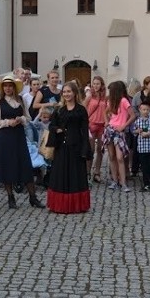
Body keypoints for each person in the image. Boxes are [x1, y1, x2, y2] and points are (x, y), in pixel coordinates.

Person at [45, 81, 91, 213]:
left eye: (69, 91)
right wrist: (57, 129)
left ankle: (76, 205)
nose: (66, 94)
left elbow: (84, 130)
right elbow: (51, 125)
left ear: (75, 93)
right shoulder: (59, 109)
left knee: (75, 176)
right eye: (64, 92)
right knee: (60, 175)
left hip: (76, 147)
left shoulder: (81, 110)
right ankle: (60, 205)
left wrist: (84, 149)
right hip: (61, 147)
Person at [0, 75, 37, 209]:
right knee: (7, 166)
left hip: (18, 136)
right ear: (2, 88)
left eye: (10, 86)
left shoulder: (21, 100)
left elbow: (28, 117)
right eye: (5, 86)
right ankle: (10, 197)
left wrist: (21, 119)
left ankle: (33, 197)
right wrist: (8, 122)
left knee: (25, 164)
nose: (7, 88)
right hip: (5, 137)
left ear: (14, 87)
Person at [103, 80, 135, 192]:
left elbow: (133, 115)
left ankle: (123, 182)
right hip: (110, 130)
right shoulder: (111, 101)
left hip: (120, 132)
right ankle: (114, 181)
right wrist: (107, 122)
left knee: (120, 157)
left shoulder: (124, 101)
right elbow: (105, 112)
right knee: (111, 156)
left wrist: (123, 126)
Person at [84, 76, 108, 183]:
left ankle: (97, 172)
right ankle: (87, 172)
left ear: (102, 85)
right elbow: (83, 108)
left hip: (102, 125)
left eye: (98, 84)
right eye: (94, 84)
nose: (96, 86)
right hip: (91, 123)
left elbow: (107, 110)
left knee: (100, 149)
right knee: (91, 149)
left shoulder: (105, 97)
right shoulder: (89, 96)